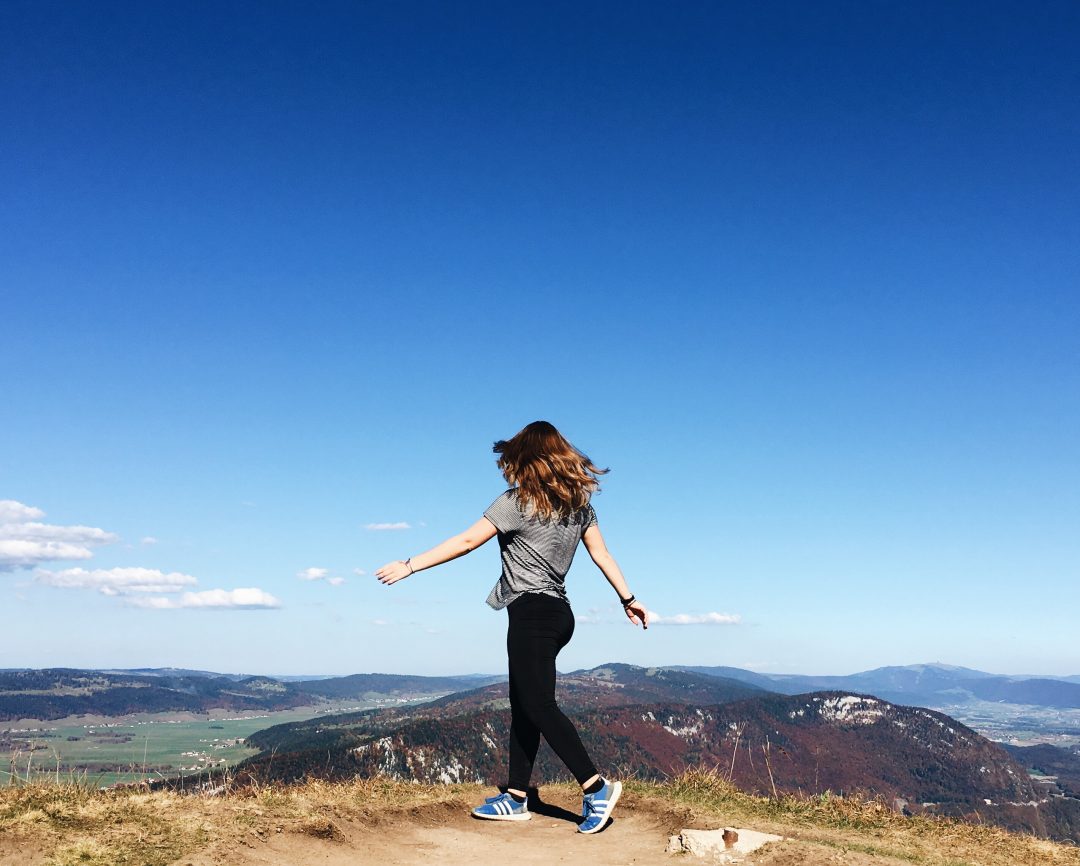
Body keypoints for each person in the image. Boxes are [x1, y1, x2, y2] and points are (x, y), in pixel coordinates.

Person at [376, 420, 648, 834]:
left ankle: (595, 787)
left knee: (537, 706)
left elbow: (466, 542)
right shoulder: (580, 507)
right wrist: (628, 599)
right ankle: (517, 796)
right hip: (559, 615)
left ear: (525, 458)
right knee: (524, 706)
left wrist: (410, 565)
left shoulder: (515, 502)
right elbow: (602, 554)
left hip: (531, 614)